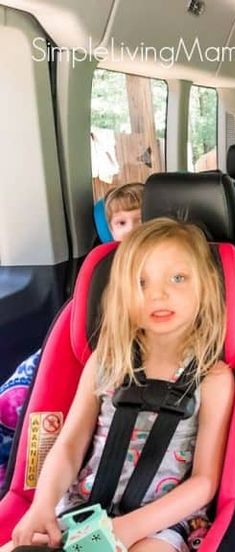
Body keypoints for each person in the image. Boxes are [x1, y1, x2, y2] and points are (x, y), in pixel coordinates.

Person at [4, 218, 235, 552]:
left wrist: (128, 528)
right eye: (141, 282)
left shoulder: (213, 378)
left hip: (160, 523)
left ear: (207, 285)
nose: (159, 293)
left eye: (178, 278)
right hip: (81, 507)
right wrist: (43, 505)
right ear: (122, 294)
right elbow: (68, 446)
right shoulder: (105, 362)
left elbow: (204, 481)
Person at [0, 182, 145, 486]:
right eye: (121, 223)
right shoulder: (102, 268)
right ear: (109, 230)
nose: (131, 230)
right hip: (92, 351)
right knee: (20, 389)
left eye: (141, 219)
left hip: (117, 358)